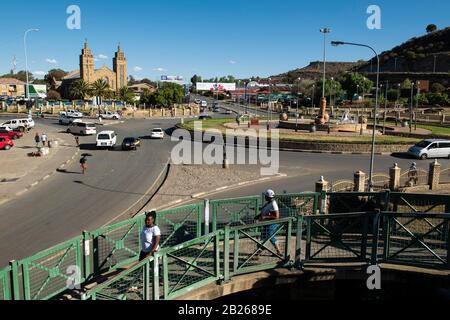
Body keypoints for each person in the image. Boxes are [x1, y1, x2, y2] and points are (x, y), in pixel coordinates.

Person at [255, 189, 283, 257]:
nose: (264, 197)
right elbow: (265, 211)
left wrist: (265, 217)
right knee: (264, 237)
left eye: (265, 196)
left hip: (272, 224)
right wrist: (259, 216)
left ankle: (258, 253)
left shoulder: (273, 204)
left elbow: (276, 216)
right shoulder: (269, 203)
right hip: (267, 223)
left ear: (268, 197)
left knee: (269, 236)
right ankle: (278, 252)